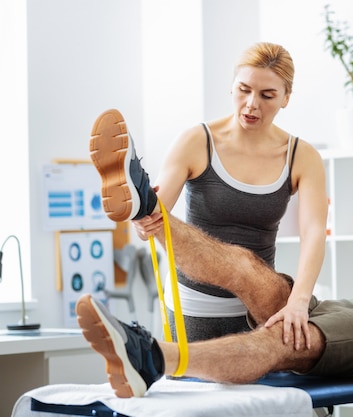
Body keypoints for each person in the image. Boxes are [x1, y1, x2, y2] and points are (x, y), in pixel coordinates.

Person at [81, 119, 353, 398]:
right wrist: (300, 300)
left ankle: (151, 357)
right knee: (246, 267)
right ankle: (148, 207)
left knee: (281, 343)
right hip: (345, 309)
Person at [91, 42, 328, 346]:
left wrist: (298, 301)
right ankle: (141, 201)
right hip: (194, 302)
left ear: (286, 99)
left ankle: (142, 200)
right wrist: (145, 222)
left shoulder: (301, 156)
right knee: (156, 215)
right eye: (243, 90)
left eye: (267, 95)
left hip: (259, 304)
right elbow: (148, 233)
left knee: (256, 393)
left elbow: (314, 232)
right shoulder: (196, 141)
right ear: (231, 87)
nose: (251, 104)